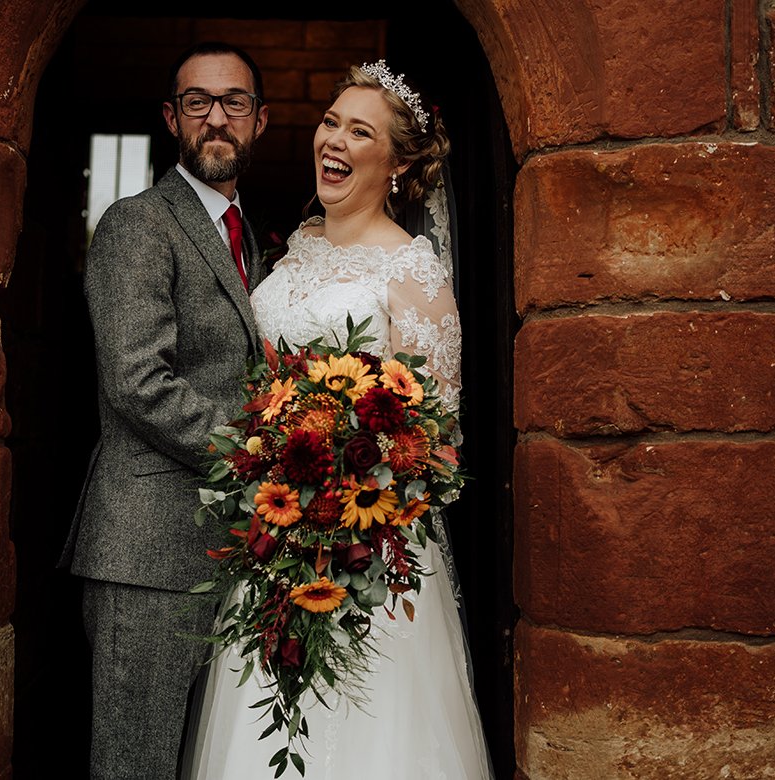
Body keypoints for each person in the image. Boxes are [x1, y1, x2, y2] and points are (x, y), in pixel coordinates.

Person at [185, 62, 494, 778]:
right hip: (278, 538)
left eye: (361, 131)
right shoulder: (295, 252)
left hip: (369, 551)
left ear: (400, 163)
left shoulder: (413, 270)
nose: (336, 140)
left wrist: (352, 485)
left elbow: (439, 437)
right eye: (331, 122)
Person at [61, 41, 269, 780]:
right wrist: (260, 464)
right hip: (147, 550)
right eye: (197, 103)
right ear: (170, 117)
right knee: (136, 763)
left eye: (234, 102)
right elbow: (136, 380)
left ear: (260, 120)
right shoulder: (137, 223)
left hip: (236, 553)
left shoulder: (258, 243)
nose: (217, 118)